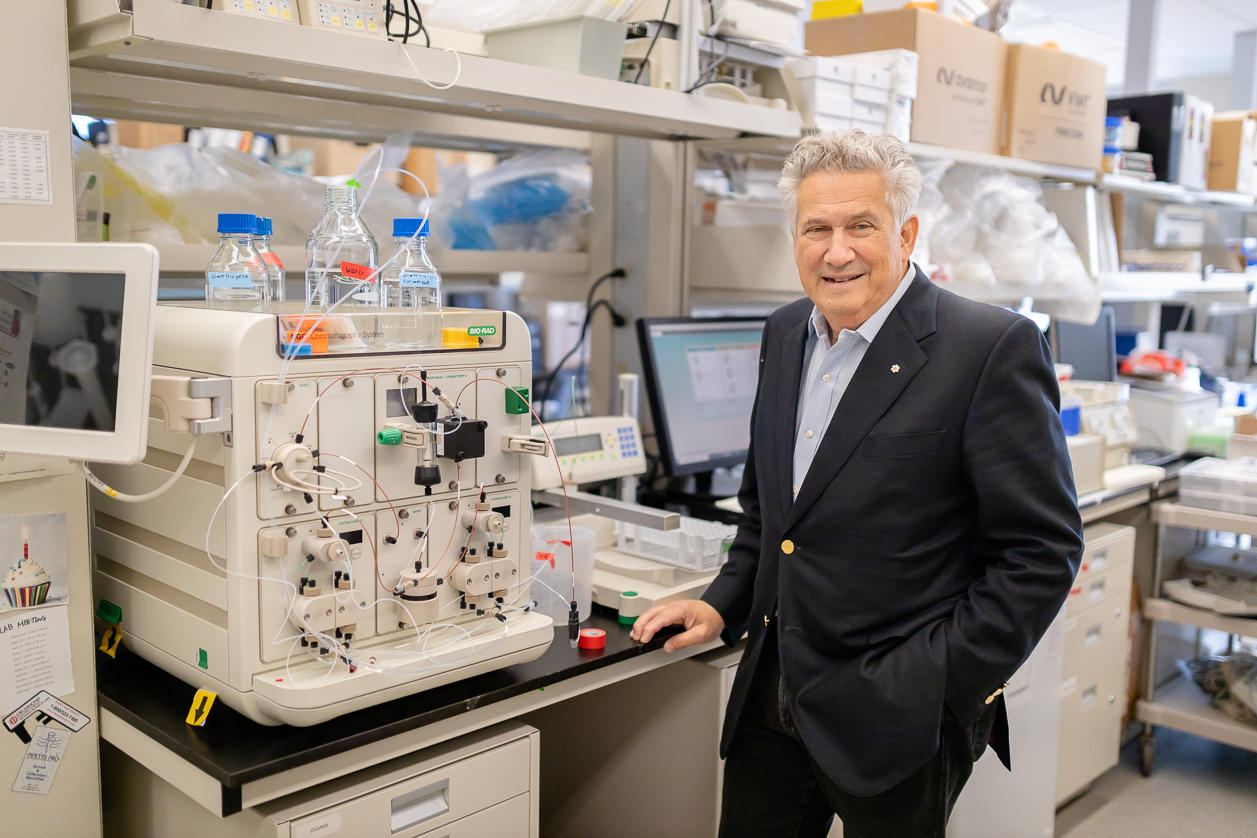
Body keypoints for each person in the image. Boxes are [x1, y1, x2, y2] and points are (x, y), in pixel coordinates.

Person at [629, 131, 1084, 837]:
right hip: (772, 695)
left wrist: (939, 683)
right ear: (794, 239)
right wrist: (721, 604)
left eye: (860, 226)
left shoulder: (987, 348)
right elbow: (769, 514)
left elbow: (1040, 552)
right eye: (817, 229)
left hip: (899, 715)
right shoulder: (785, 333)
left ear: (905, 233)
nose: (836, 252)